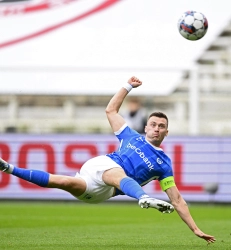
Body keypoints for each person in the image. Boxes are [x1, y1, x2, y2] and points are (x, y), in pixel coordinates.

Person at [0, 76, 215, 244]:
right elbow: (111, 110)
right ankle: (9, 168)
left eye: (161, 126)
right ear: (146, 126)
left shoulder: (164, 164)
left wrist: (195, 229)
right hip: (101, 166)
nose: (157, 129)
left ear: (166, 132)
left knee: (64, 182)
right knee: (114, 173)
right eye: (153, 124)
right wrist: (127, 86)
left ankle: (9, 168)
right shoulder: (130, 135)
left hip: (100, 192)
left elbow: (177, 200)